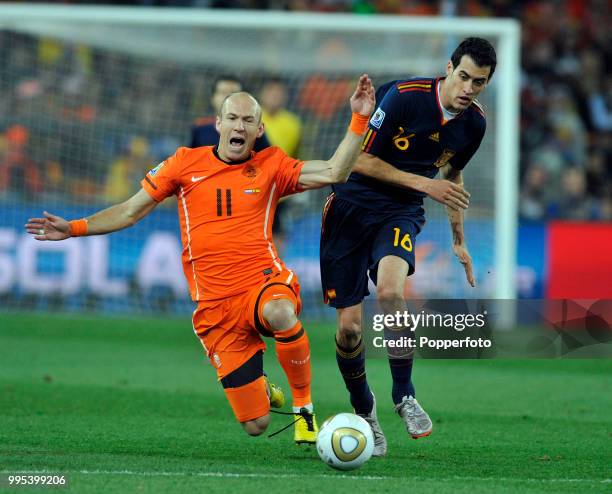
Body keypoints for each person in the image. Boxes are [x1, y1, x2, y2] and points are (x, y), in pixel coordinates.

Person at [26, 74, 375, 444]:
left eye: (248, 121)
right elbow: (130, 211)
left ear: (259, 131)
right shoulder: (182, 164)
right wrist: (75, 227)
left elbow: (336, 170)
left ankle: (304, 410)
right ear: (218, 123)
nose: (240, 126)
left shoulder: (273, 165)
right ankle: (263, 387)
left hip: (262, 281)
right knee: (255, 425)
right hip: (214, 308)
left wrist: (359, 119)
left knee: (280, 313)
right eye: (233, 118)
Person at [320, 37, 497, 456]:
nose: (469, 88)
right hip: (349, 204)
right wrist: (424, 184)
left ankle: (404, 395)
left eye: (480, 82)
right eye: (464, 76)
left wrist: (459, 240)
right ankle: (365, 411)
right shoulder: (402, 96)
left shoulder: (475, 125)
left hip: (399, 212)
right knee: (348, 329)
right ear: (448, 67)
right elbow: (355, 159)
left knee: (391, 293)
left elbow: (452, 179)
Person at [190, 74, 270, 150]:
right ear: (213, 98)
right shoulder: (200, 128)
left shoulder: (253, 130)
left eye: (234, 93)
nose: (228, 97)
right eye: (223, 92)